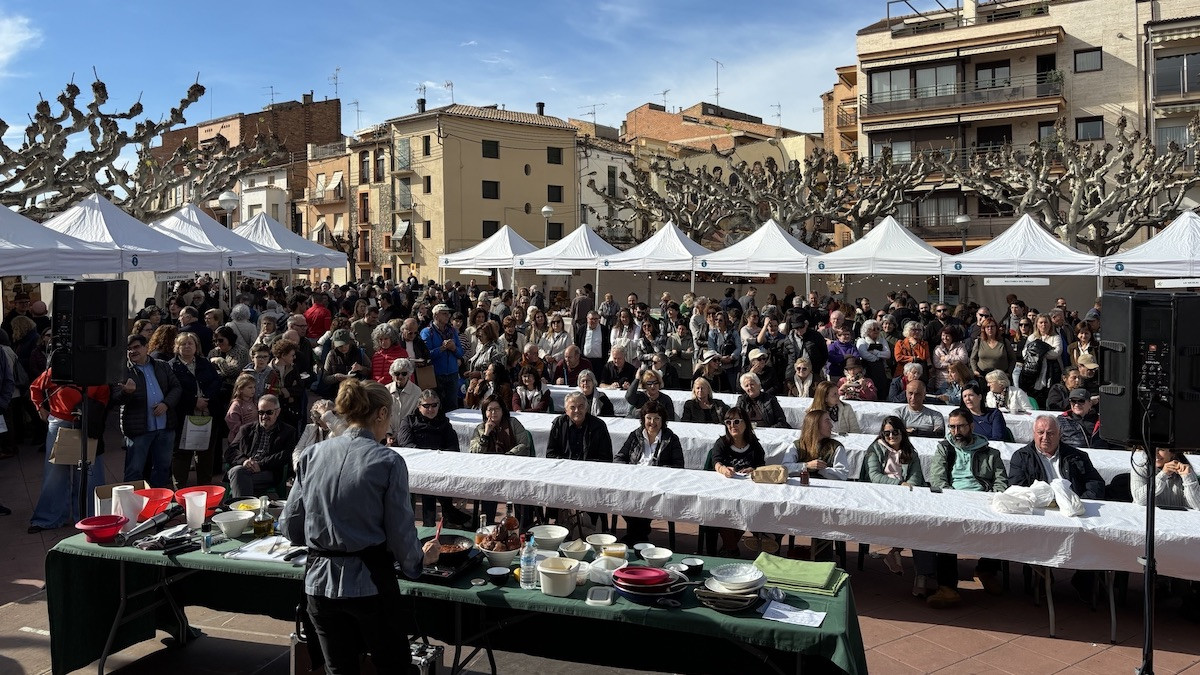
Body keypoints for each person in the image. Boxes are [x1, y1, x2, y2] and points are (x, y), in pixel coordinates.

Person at [282, 378, 439, 674]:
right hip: (370, 585)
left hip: (319, 584)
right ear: (380, 414)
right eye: (390, 416)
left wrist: (328, 532)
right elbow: (401, 534)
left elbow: (291, 526)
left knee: (339, 670)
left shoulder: (313, 454)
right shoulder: (388, 461)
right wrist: (419, 561)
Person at [926, 409, 1009, 608]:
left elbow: (1001, 482)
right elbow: (937, 480)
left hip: (983, 500)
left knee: (1001, 524)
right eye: (952, 427)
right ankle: (947, 587)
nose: (956, 431)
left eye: (961, 426)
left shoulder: (991, 452)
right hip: (953, 500)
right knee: (945, 529)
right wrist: (953, 500)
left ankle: (986, 570)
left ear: (971, 426)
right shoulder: (944, 449)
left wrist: (993, 499)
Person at [26, 367, 111, 533]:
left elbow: (103, 396)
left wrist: (90, 412)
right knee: (55, 474)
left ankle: (90, 517)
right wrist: (39, 408)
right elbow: (35, 387)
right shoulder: (59, 366)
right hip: (59, 423)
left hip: (86, 423)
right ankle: (49, 518)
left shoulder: (97, 367)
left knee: (89, 473)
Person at [395, 389, 471, 527]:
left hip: (440, 467)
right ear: (419, 406)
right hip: (415, 467)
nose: (431, 409)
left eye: (434, 405)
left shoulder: (444, 423)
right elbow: (406, 444)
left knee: (438, 483)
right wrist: (428, 457)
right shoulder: (409, 421)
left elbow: (453, 447)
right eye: (426, 406)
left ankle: (445, 519)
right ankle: (436, 521)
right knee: (426, 489)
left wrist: (438, 458)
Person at [613, 399, 685, 543]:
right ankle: (640, 536)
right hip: (633, 480)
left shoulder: (671, 439)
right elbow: (619, 457)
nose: (652, 422)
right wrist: (629, 471)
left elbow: (678, 466)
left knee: (644, 500)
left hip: (657, 484)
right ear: (643, 419)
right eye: (649, 418)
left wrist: (658, 474)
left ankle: (635, 537)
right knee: (622, 498)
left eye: (657, 418)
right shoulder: (635, 435)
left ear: (663, 420)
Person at [117, 334, 182, 488]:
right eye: (128, 349)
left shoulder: (162, 366)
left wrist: (166, 404)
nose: (132, 351)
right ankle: (132, 507)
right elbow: (115, 399)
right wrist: (126, 392)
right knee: (134, 470)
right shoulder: (122, 371)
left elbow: (176, 387)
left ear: (146, 347)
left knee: (162, 469)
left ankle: (160, 503)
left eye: (136, 347)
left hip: (165, 427)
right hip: (139, 430)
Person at [710, 406, 766, 556]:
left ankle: (730, 547)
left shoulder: (754, 444)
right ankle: (732, 547)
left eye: (736, 421)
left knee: (747, 510)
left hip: (748, 491)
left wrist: (753, 470)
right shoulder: (721, 442)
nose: (732, 426)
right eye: (728, 422)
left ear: (745, 423)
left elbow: (761, 465)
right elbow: (715, 461)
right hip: (726, 489)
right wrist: (724, 470)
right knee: (723, 510)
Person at [168, 333, 221, 487]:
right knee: (181, 454)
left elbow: (216, 382)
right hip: (183, 416)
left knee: (205, 454)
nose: (187, 346)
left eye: (190, 343)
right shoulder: (171, 366)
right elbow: (173, 389)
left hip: (207, 414)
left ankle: (206, 487)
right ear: (177, 347)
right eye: (183, 344)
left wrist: (206, 398)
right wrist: (194, 401)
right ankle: (180, 489)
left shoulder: (204, 363)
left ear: (196, 346)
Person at [468, 394, 531, 523]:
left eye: (497, 409)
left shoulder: (513, 423)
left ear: (503, 410)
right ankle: (488, 524)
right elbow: (474, 452)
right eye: (489, 409)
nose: (493, 412)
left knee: (521, 489)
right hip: (490, 470)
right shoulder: (480, 429)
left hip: (514, 468)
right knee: (488, 488)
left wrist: (509, 456)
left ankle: (523, 525)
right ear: (485, 412)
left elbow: (524, 444)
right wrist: (486, 434)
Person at [1009, 416, 1104, 499]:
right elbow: (1017, 489)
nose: (1045, 437)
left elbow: (1095, 483)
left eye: (1050, 433)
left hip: (1074, 507)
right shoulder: (1021, 457)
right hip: (1039, 508)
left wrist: (1082, 501)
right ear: (1034, 434)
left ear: (1059, 435)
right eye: (1041, 432)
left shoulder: (1077, 456)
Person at [224, 394, 298, 499]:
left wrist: (260, 465)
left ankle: (242, 511)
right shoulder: (246, 429)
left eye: (269, 412)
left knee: (238, 475)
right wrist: (244, 461)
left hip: (268, 471)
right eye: (261, 412)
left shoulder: (288, 431)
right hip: (245, 468)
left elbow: (285, 455)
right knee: (239, 473)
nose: (264, 416)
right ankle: (247, 510)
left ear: (277, 412)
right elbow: (230, 451)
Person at [545, 391, 612, 462]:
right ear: (566, 410)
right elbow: (550, 454)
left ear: (586, 408)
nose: (577, 410)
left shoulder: (598, 425)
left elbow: (606, 457)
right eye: (572, 407)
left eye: (581, 406)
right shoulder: (559, 423)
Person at [421, 304, 464, 412]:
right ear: (436, 315)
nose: (448, 316)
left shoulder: (452, 331)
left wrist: (453, 348)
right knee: (437, 406)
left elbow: (460, 353)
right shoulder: (427, 332)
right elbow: (426, 354)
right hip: (436, 375)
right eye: (444, 313)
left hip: (452, 374)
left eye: (448, 313)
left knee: (452, 406)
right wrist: (442, 348)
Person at [786, 409, 850, 480]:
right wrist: (806, 466)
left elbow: (843, 474)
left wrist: (821, 469)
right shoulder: (797, 446)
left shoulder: (835, 447)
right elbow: (785, 468)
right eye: (827, 421)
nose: (831, 426)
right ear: (815, 424)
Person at [1018, 314, 1063, 408]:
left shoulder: (1055, 337)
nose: (1043, 325)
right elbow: (1025, 353)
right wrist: (1044, 350)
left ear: (1050, 324)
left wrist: (1037, 353)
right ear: (1037, 324)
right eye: (1041, 322)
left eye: (1046, 322)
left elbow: (1056, 353)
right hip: (1033, 373)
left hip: (1050, 372)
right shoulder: (1032, 337)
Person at [1132, 446, 1199, 510]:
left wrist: (1188, 479)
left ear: (1172, 453)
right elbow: (1139, 499)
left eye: (1161, 449)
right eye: (1151, 449)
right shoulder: (1141, 468)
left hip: (1178, 519)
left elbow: (1197, 505)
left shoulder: (1185, 469)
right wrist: (1163, 475)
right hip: (1149, 517)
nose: (1155, 453)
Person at [321, 329, 370, 396]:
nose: (343, 348)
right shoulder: (331, 355)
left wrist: (360, 368)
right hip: (337, 393)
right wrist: (335, 377)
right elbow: (325, 378)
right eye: (340, 346)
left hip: (357, 391)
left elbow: (370, 370)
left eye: (346, 344)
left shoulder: (359, 353)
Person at [385, 357, 421, 436]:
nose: (400, 377)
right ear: (392, 375)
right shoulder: (386, 390)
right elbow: (382, 415)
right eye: (397, 374)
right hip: (386, 435)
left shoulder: (417, 392)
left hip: (408, 435)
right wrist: (388, 434)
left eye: (404, 373)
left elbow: (416, 417)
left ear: (409, 374)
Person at [856, 320, 892, 396]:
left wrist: (875, 352)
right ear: (867, 330)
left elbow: (888, 354)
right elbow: (864, 354)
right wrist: (877, 358)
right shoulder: (862, 341)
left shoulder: (882, 340)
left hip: (881, 370)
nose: (876, 331)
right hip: (868, 369)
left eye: (878, 329)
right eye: (873, 329)